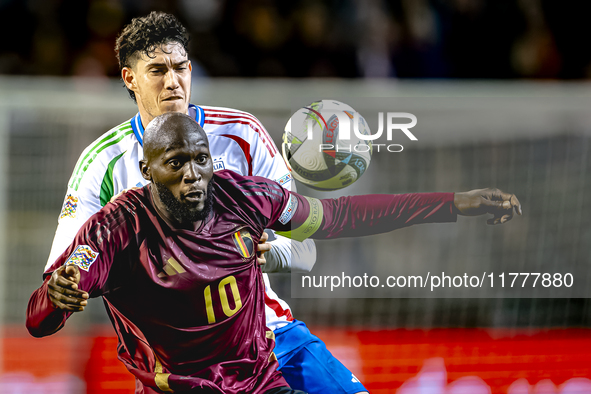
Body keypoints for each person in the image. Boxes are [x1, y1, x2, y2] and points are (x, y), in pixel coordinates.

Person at [28, 113, 522, 393]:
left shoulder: (244, 196)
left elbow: (342, 218)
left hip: (261, 378)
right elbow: (40, 317)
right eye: (175, 163)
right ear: (147, 168)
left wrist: (455, 203)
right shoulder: (116, 227)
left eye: (200, 159)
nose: (193, 174)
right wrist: (56, 297)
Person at [43, 11, 366, 394]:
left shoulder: (242, 134)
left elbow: (305, 249)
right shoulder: (102, 163)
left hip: (271, 337)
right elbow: (63, 269)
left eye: (180, 68)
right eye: (157, 71)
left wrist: (276, 251)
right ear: (130, 78)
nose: (173, 82)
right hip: (179, 369)